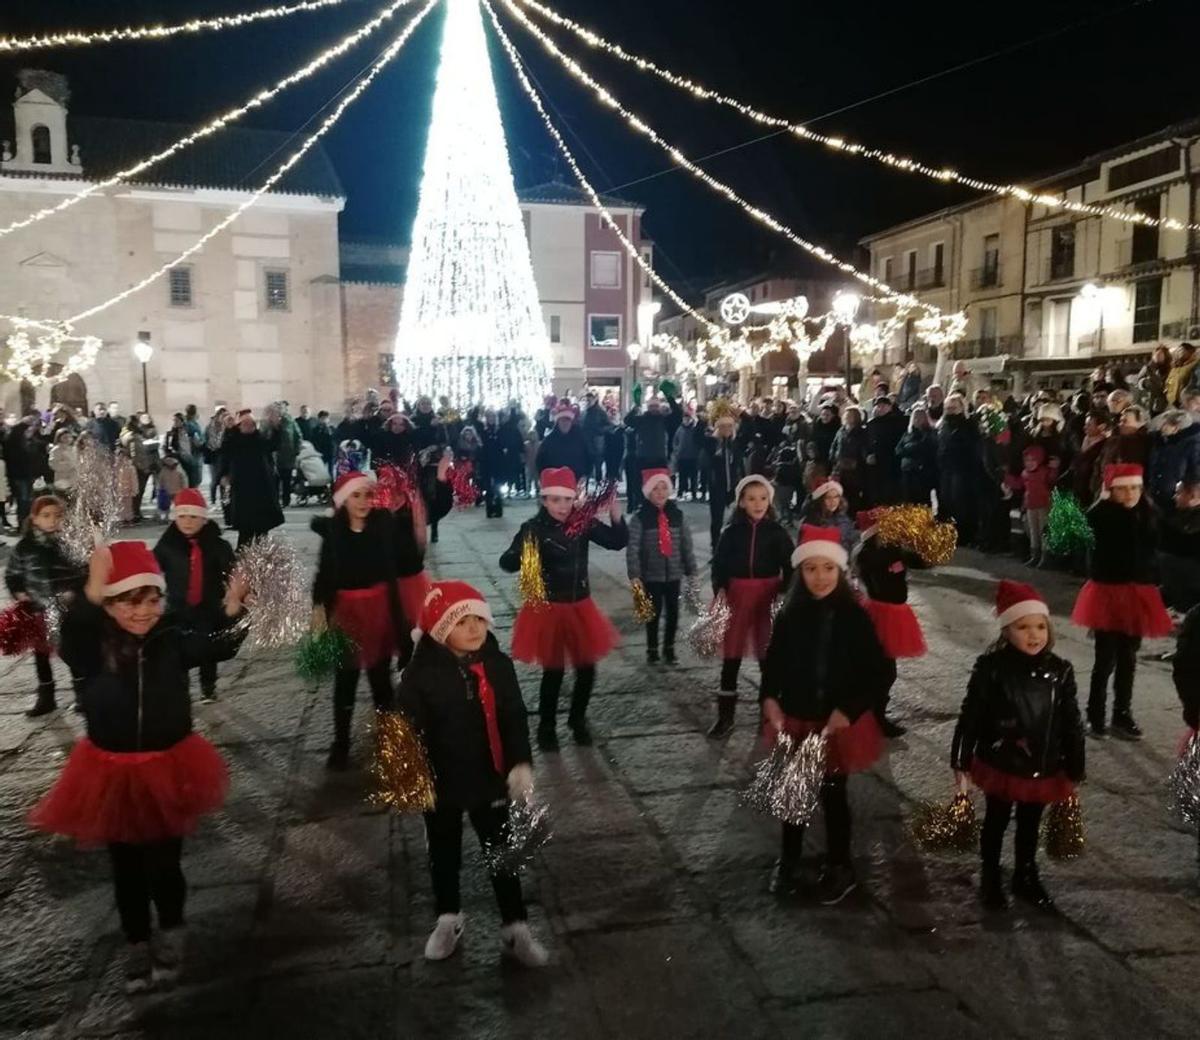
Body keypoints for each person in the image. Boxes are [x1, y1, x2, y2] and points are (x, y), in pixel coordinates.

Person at [30, 542, 246, 993]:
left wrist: (231, 608)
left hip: (167, 765)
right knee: (125, 865)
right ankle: (136, 940)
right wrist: (91, 590)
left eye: (151, 600)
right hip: (112, 770)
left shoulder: (170, 639)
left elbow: (217, 647)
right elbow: (69, 639)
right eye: (130, 601)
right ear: (108, 604)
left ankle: (170, 932)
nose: (143, 612)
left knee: (165, 863)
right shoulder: (92, 647)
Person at [395, 580, 549, 967]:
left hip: (488, 777)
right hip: (441, 782)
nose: (474, 629)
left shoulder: (497, 664)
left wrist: (520, 762)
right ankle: (448, 918)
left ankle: (516, 927)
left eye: (478, 619)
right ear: (440, 628)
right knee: (444, 853)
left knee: (501, 853)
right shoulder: (420, 675)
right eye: (461, 621)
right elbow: (406, 731)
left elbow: (514, 716)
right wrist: (414, 778)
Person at [760, 525, 890, 903]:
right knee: (795, 792)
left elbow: (876, 673)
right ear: (801, 573)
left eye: (828, 569)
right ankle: (788, 858)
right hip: (799, 715)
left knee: (834, 795)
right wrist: (769, 697)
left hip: (835, 722)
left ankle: (839, 863)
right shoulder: (789, 615)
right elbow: (775, 663)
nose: (820, 577)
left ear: (841, 572)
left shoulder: (855, 617)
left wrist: (849, 710)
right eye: (812, 569)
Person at [952, 581, 1085, 911]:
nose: (1033, 635)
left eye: (1040, 626)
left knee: (1030, 823)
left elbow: (1071, 721)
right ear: (1006, 630)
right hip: (1003, 761)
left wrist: (1075, 765)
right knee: (996, 820)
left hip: (1044, 764)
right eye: (1022, 627)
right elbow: (972, 715)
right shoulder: (992, 669)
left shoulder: (1060, 671)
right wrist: (961, 759)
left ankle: (1026, 873)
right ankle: (991, 875)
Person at [499, 466, 627, 750]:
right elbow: (506, 562)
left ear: (574, 500)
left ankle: (577, 719)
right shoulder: (533, 529)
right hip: (550, 608)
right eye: (555, 500)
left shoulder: (581, 523)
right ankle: (547, 726)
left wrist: (614, 511)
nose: (562, 506)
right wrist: (521, 553)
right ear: (544, 500)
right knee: (553, 671)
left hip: (580, 604)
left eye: (567, 500)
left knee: (586, 669)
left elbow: (618, 542)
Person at [1071, 464, 1172, 738]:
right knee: (1105, 659)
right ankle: (1095, 716)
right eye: (1123, 488)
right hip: (1108, 593)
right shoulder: (1100, 516)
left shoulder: (1149, 513)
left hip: (1139, 593)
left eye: (1135, 487)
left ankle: (1122, 714)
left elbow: (1160, 548)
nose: (1129, 493)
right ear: (1110, 490)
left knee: (1129, 657)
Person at [311, 472, 399, 771]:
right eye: (355, 496)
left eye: (367, 495)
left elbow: (398, 564)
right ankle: (341, 742)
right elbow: (324, 573)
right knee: (345, 679)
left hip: (378, 609)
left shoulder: (383, 527)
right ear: (343, 500)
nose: (363, 502)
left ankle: (390, 738)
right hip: (346, 612)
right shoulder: (334, 533)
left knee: (380, 679)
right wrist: (319, 607)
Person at [708, 475, 794, 739]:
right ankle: (725, 717)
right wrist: (720, 589)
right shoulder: (730, 533)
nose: (758, 503)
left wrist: (785, 592)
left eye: (763, 498)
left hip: (768, 597)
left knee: (769, 658)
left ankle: (768, 715)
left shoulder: (777, 533)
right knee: (731, 657)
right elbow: (719, 565)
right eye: (751, 498)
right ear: (741, 502)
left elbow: (791, 567)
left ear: (770, 501)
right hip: (738, 596)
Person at [152, 488, 236, 704]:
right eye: (182, 517)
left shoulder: (217, 545)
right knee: (177, 651)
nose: (187, 522)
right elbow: (153, 566)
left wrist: (235, 592)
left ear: (204, 519)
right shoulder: (168, 544)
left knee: (206, 648)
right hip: (177, 606)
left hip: (208, 607)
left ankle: (208, 686)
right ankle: (181, 689)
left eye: (193, 517)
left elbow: (231, 571)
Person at [5, 494, 87, 716]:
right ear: (34, 518)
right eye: (46, 515)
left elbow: (83, 572)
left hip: (67, 610)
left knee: (72, 651)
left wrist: (74, 592)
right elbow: (13, 575)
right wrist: (19, 592)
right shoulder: (24, 548)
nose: (52, 520)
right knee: (41, 655)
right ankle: (46, 697)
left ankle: (82, 694)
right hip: (37, 610)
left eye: (57, 516)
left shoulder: (69, 543)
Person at [854, 508, 927, 737]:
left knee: (885, 670)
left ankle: (874, 714)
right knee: (883, 670)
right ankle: (873, 716)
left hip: (895, 612)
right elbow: (876, 572)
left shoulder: (892, 550)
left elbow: (921, 562)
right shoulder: (869, 554)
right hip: (880, 614)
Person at [626, 468, 697, 666]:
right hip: (651, 575)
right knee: (653, 613)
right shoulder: (640, 519)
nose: (660, 492)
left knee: (673, 612)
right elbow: (633, 549)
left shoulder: (678, 516)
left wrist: (691, 569)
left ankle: (669, 648)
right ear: (648, 492)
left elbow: (686, 545)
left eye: (663, 487)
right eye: (655, 488)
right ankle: (652, 648)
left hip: (673, 573)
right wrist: (635, 574)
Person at [390, 451, 453, 667]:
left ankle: (407, 670)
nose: (396, 495)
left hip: (411, 582)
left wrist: (442, 477)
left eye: (400, 489)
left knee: (413, 630)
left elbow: (440, 508)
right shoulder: (377, 516)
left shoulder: (414, 512)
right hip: (387, 583)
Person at [218, 410, 284, 550]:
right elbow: (224, 454)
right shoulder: (233, 440)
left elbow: (275, 444)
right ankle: (242, 562)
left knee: (262, 531)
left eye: (252, 424)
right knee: (245, 532)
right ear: (240, 425)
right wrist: (223, 475)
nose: (249, 426)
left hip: (262, 489)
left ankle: (262, 561)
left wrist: (276, 427)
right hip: (242, 490)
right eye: (246, 423)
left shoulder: (259, 439)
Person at [936, 393, 981, 541]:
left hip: (962, 468)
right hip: (946, 468)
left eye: (953, 408)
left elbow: (972, 446)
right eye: (948, 408)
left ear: (962, 408)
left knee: (960, 502)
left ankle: (964, 533)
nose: (950, 411)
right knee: (947, 500)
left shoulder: (968, 424)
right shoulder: (943, 425)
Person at [1011, 445, 1054, 567]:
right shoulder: (1025, 473)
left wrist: (1054, 470)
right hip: (1030, 505)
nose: (1029, 463)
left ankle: (1045, 557)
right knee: (1033, 531)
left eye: (1032, 460)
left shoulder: (1045, 472)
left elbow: (1052, 481)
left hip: (1043, 505)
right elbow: (1020, 485)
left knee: (1043, 531)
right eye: (1027, 460)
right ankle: (1035, 555)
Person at [705, 414, 743, 551]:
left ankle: (734, 547)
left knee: (738, 518)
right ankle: (715, 547)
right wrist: (705, 420)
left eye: (729, 426)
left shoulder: (735, 444)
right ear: (718, 428)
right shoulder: (711, 443)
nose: (726, 429)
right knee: (717, 520)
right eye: (723, 426)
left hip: (733, 486)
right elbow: (697, 438)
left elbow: (739, 465)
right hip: (717, 487)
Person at [864, 395, 906, 505]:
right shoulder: (871, 423)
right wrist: (868, 455)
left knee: (890, 494)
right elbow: (866, 442)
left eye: (883, 406)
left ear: (889, 407)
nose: (880, 408)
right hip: (874, 464)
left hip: (891, 464)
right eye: (878, 406)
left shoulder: (897, 422)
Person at [534, 402, 590, 485]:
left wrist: (586, 474)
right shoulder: (549, 440)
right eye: (562, 420)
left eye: (568, 420)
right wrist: (543, 478)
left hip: (576, 480)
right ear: (558, 422)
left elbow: (588, 456)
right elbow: (540, 461)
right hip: (555, 481)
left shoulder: (580, 438)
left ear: (571, 422)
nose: (565, 423)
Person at [799, 477, 858, 554]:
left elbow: (850, 540)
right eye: (828, 498)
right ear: (820, 500)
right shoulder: (811, 520)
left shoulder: (844, 518)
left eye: (836, 497)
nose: (833, 501)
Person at [829, 405, 868, 512]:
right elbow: (834, 445)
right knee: (840, 492)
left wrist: (860, 461)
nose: (847, 417)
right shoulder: (841, 431)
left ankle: (853, 515)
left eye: (850, 415)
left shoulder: (861, 432)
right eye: (846, 415)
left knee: (853, 494)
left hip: (854, 469)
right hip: (840, 467)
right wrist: (833, 458)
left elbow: (864, 449)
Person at [897, 405, 938, 506]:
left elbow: (925, 448)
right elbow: (898, 449)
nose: (917, 419)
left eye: (920, 417)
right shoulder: (908, 433)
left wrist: (909, 448)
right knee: (908, 500)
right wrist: (909, 449)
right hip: (907, 471)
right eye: (915, 417)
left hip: (922, 472)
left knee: (922, 500)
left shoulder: (930, 433)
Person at [119, 416, 155, 522]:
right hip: (138, 468)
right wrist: (141, 467)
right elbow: (134, 454)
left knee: (138, 492)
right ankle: (135, 514)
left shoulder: (134, 436)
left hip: (139, 466)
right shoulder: (132, 437)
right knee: (137, 492)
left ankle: (136, 513)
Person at [581, 391, 612, 487]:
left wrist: (600, 431)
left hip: (596, 443)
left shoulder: (600, 412)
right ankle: (585, 487)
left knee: (598, 465)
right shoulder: (584, 412)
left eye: (590, 399)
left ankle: (598, 484)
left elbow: (608, 425)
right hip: (586, 443)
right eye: (586, 400)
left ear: (594, 400)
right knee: (587, 466)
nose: (588, 402)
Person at [672, 409, 702, 500]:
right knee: (682, 476)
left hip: (693, 456)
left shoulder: (694, 429)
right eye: (685, 418)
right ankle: (681, 492)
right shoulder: (680, 429)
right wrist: (677, 451)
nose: (686, 420)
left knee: (693, 476)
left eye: (688, 418)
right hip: (682, 457)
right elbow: (675, 441)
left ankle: (693, 493)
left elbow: (698, 441)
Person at [48, 429, 78, 495]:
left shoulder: (74, 449)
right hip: (62, 480)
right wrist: (69, 465)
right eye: (65, 437)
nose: (67, 439)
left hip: (74, 480)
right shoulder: (56, 450)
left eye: (69, 437)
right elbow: (53, 464)